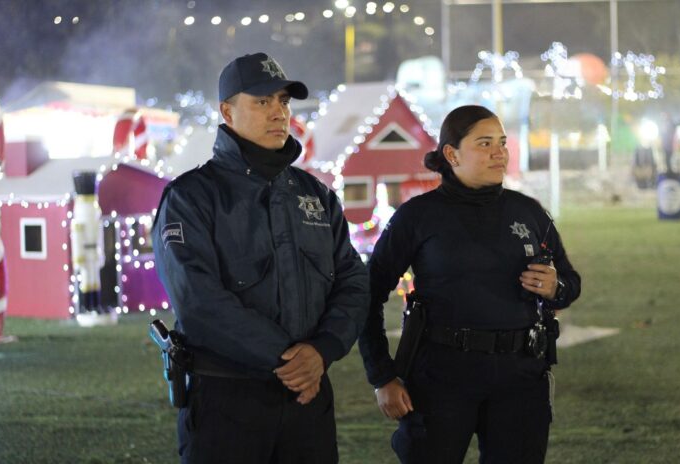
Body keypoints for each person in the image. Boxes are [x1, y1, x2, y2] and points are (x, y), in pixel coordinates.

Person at [152, 52, 369, 464]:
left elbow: (353, 281)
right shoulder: (190, 197)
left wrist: (322, 350)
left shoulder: (316, 195)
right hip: (227, 402)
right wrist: (291, 360)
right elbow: (198, 300)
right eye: (262, 101)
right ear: (227, 112)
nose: (278, 113)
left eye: (283, 101)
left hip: (308, 402)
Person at [358, 105, 581, 463]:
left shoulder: (528, 212)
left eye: (502, 142)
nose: (499, 152)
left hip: (520, 376)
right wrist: (382, 376)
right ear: (452, 154)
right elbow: (367, 295)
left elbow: (570, 282)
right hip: (441, 377)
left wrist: (556, 288)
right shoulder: (418, 216)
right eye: (484, 143)